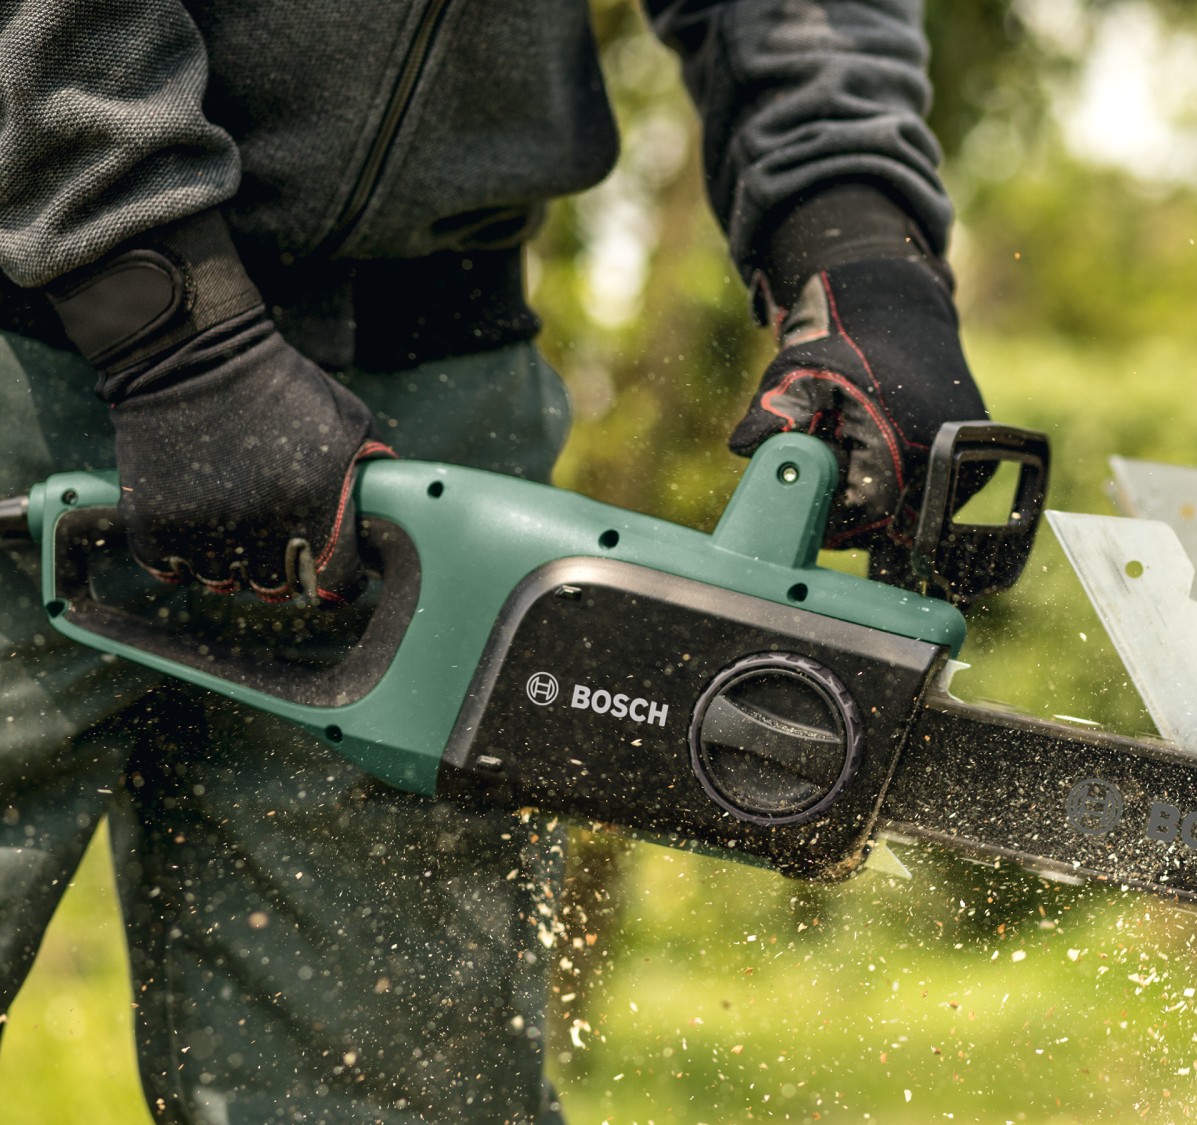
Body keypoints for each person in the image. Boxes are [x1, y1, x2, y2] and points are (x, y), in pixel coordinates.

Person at [0, 1, 986, 1119]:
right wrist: (170, 318)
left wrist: (856, 240)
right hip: (32, 329)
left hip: (434, 386)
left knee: (396, 1095)